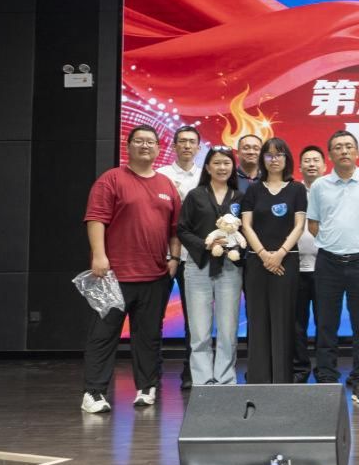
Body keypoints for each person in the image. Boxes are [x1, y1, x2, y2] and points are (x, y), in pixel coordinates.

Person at [80, 125, 181, 413]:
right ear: (128, 145)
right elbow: (96, 218)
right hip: (114, 275)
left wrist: (174, 258)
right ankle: (93, 393)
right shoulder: (111, 179)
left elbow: (175, 229)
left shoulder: (166, 185)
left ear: (159, 148)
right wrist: (99, 256)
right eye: (139, 141)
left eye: (150, 142)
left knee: (148, 336)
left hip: (155, 276)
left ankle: (146, 388)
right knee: (103, 335)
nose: (145, 146)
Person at [308, 130, 359, 404]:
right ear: (330, 154)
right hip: (328, 262)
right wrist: (333, 241)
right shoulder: (319, 186)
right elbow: (313, 224)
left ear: (357, 152)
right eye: (338, 147)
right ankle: (327, 380)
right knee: (325, 325)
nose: (343, 151)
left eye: (348, 146)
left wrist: (358, 242)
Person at [240, 138, 307, 384]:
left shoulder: (296, 189)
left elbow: (299, 226)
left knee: (283, 319)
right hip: (256, 262)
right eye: (269, 155)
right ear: (263, 159)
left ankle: (281, 377)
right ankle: (258, 378)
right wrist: (264, 254)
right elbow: (246, 225)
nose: (274, 159)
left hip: (287, 261)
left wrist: (279, 253)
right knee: (257, 319)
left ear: (287, 158)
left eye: (279, 154)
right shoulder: (253, 190)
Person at [176, 145, 243, 386]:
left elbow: (246, 231)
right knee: (199, 330)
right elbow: (182, 229)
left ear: (233, 167)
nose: (222, 167)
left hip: (230, 268)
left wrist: (237, 249)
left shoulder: (239, 197)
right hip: (198, 266)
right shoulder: (195, 195)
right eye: (216, 163)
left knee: (228, 329)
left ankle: (225, 379)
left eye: (226, 163)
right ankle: (203, 382)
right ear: (207, 167)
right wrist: (206, 244)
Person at [158, 125, 203, 391]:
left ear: (199, 147)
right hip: (162, 255)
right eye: (182, 141)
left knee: (194, 320)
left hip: (195, 256)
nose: (187, 146)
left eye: (191, 142)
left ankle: (191, 372)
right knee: (153, 317)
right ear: (173, 146)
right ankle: (152, 372)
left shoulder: (205, 176)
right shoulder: (161, 175)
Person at [292, 145, 326, 383]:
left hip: (326, 268)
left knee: (325, 323)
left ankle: (324, 370)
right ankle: (299, 370)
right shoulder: (292, 191)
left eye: (316, 160)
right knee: (297, 324)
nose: (311, 164)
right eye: (307, 160)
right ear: (300, 166)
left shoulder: (331, 191)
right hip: (295, 268)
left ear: (324, 165)